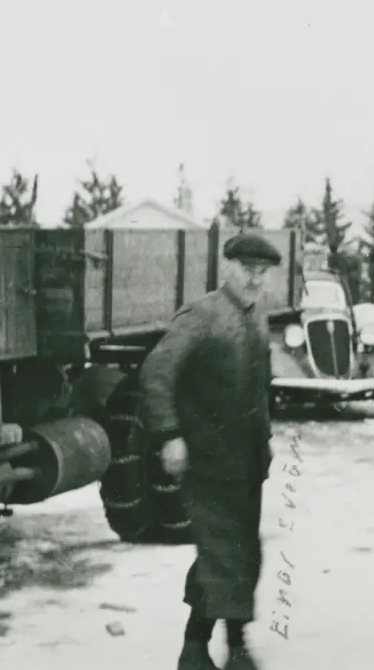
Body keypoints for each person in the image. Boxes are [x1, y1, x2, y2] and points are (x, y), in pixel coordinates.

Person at [140, 231, 280, 670]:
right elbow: (156, 372)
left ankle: (226, 644)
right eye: (247, 270)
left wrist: (265, 440)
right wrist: (170, 434)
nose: (255, 280)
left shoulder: (257, 316)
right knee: (222, 550)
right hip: (206, 458)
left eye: (262, 272)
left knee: (239, 550)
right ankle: (200, 648)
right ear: (228, 267)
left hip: (246, 460)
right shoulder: (202, 315)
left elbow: (262, 387)